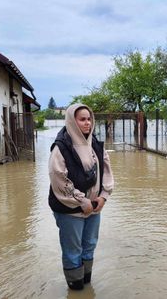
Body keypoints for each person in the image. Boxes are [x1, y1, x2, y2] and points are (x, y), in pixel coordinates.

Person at [48, 103, 114, 290]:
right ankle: (76, 288)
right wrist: (82, 201)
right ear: (72, 121)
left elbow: (107, 173)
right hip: (70, 210)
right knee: (72, 250)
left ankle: (86, 286)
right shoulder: (61, 148)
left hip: (95, 207)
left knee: (90, 245)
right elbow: (59, 180)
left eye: (89, 118)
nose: (87, 123)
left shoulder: (95, 144)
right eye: (82, 119)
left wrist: (103, 196)